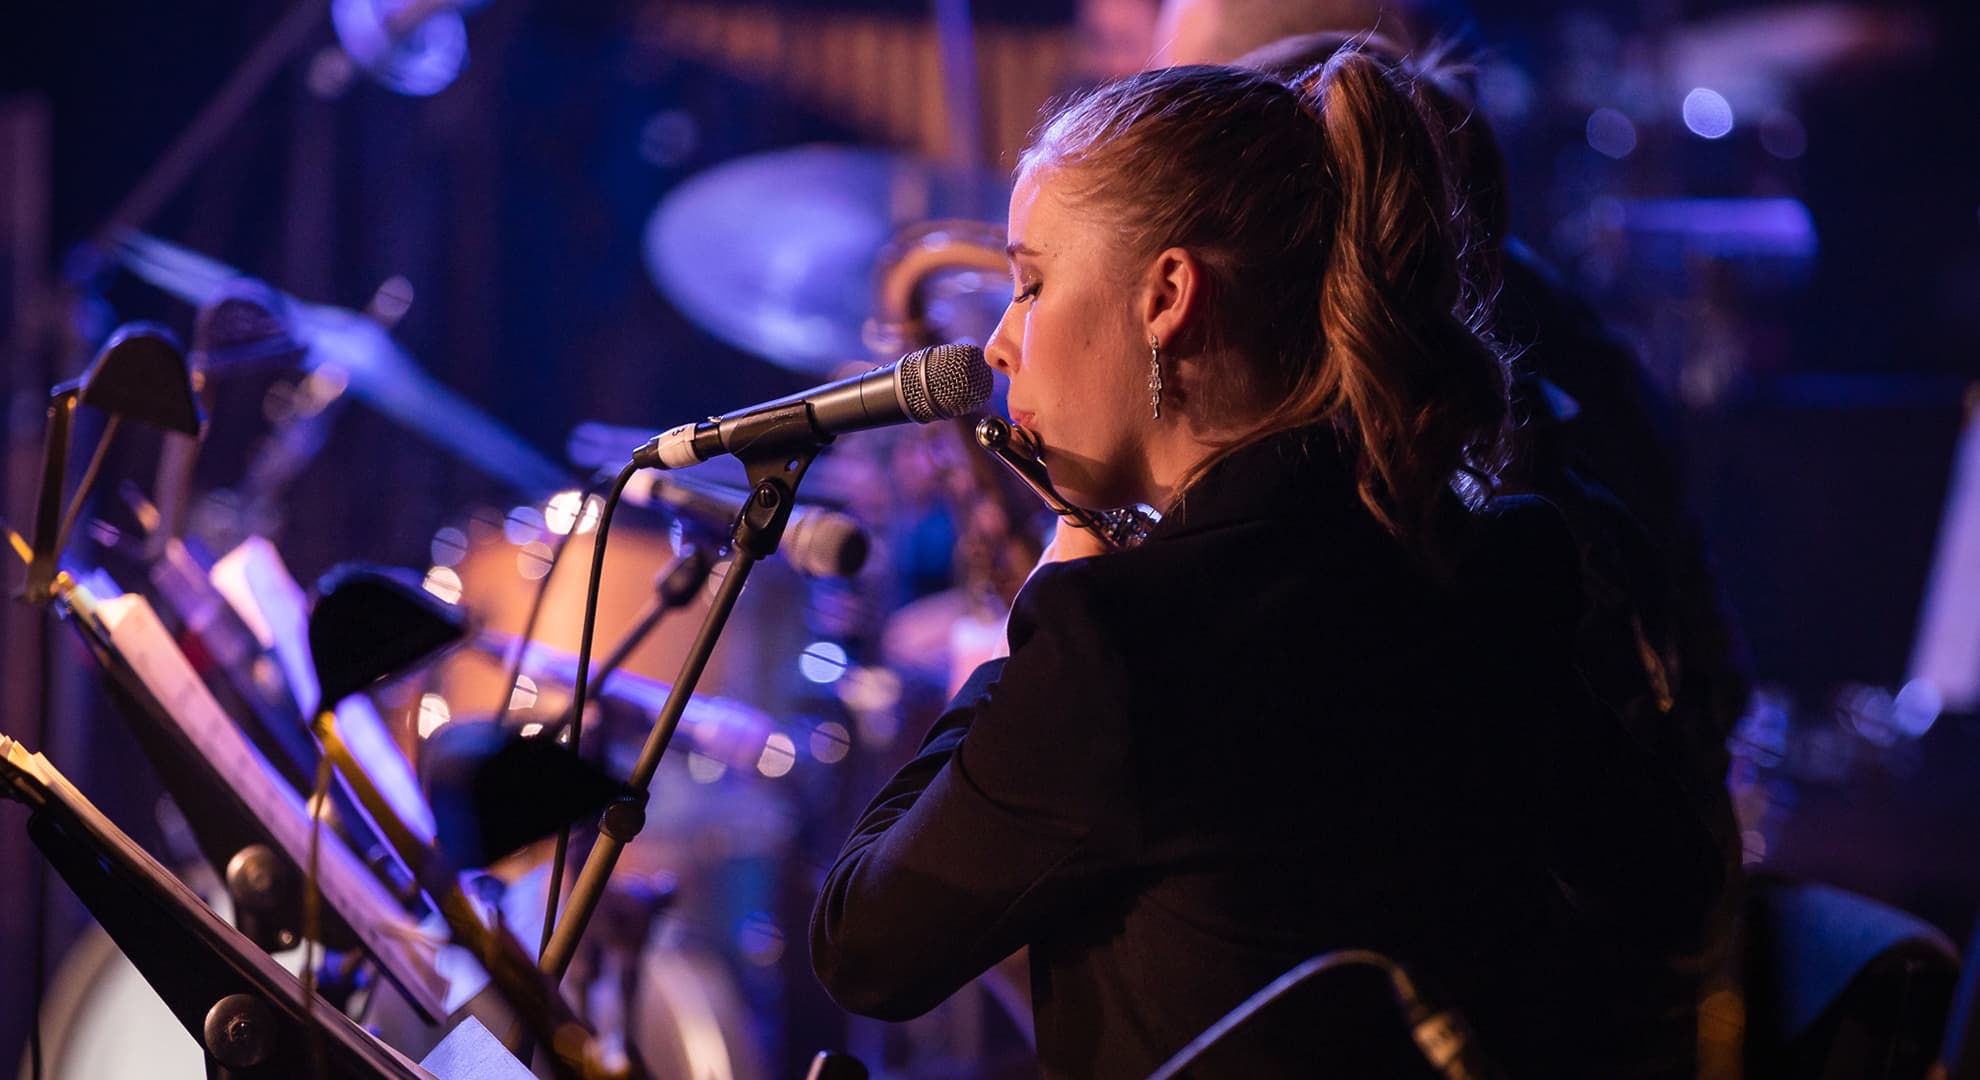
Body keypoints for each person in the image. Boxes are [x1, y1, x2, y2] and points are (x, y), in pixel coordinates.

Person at [811, 53, 1728, 1079]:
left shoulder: (1112, 648)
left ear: (1167, 294)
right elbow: (1671, 891)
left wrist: (1019, 645)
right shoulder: (1499, 557)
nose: (997, 342)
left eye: (1030, 283)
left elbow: (863, 950)